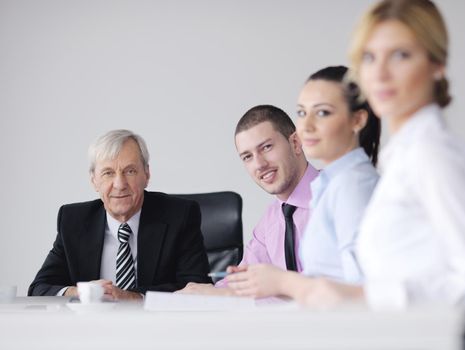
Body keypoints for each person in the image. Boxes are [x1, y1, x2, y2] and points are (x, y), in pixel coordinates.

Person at [295, 0, 465, 315]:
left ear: (436, 65)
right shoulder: (401, 156)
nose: (379, 74)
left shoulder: (433, 155)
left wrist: (362, 296)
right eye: (369, 58)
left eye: (400, 55)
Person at [226, 66, 380, 299]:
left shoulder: (353, 187)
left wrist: (282, 283)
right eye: (301, 113)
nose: (306, 126)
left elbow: (365, 293)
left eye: (322, 113)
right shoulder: (323, 190)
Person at [28, 129, 211, 300]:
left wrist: (131, 297)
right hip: (91, 330)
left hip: (159, 328)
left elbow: (197, 287)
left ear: (146, 174)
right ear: (94, 181)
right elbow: (39, 288)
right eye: (108, 173)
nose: (119, 184)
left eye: (130, 171)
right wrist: (81, 292)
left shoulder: (180, 216)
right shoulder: (73, 220)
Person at [179, 105, 318, 295]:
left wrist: (228, 294)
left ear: (295, 143)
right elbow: (243, 281)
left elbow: (338, 287)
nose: (259, 164)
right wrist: (205, 295)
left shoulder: (339, 197)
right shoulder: (271, 219)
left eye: (267, 147)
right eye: (247, 157)